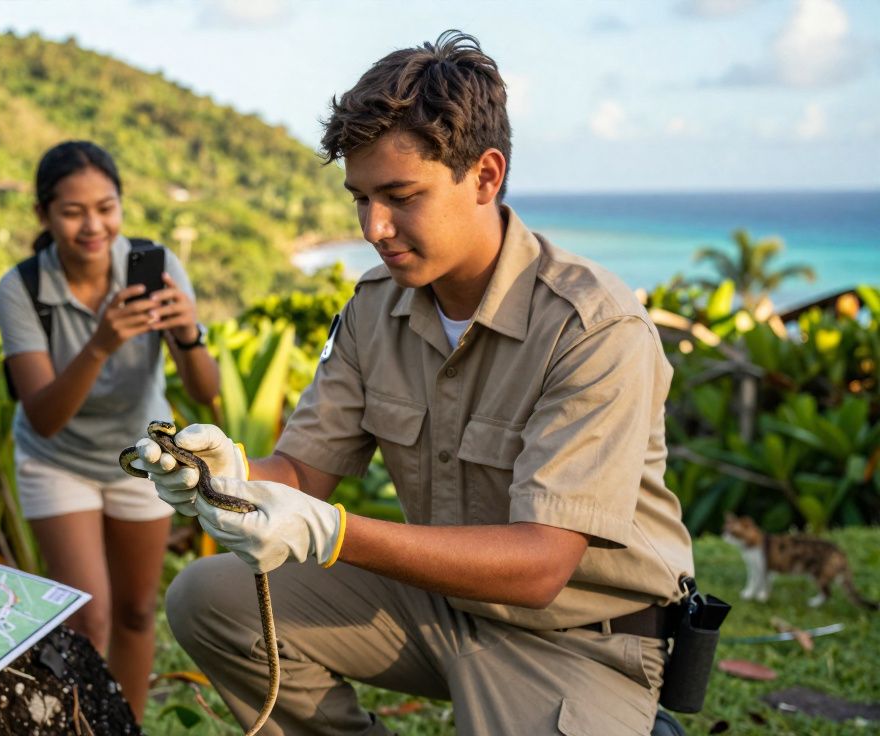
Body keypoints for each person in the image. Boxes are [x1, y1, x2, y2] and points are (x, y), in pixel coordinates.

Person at [130, 31, 695, 735]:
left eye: (400, 195)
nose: (374, 226)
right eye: (359, 198)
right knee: (208, 598)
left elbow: (540, 566)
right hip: (437, 604)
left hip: (581, 634)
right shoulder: (375, 309)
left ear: (485, 176)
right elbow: (305, 469)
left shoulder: (593, 327)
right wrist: (227, 477)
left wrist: (333, 533)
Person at [0, 140, 219, 720]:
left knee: (138, 611)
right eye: (73, 212)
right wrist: (102, 342)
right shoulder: (21, 289)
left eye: (107, 206)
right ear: (44, 215)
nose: (93, 225)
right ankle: (78, 725)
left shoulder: (158, 266)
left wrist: (189, 333)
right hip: (56, 458)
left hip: (141, 455)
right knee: (88, 617)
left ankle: (126, 726)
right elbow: (45, 416)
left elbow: (205, 391)